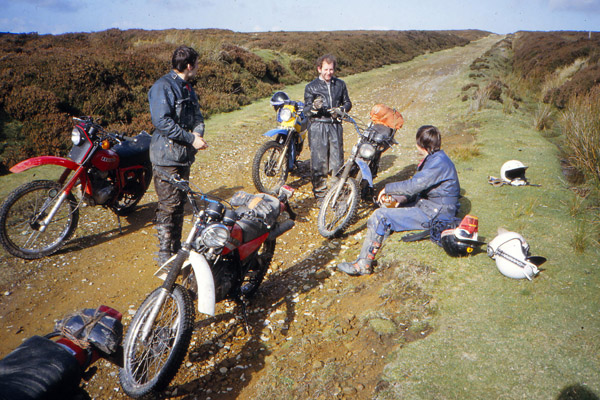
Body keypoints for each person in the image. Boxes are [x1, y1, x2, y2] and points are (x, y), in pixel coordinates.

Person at [337, 125, 461, 276]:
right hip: (431, 206)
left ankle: (363, 264)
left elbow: (413, 186)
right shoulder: (436, 158)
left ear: (420, 145)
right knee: (389, 206)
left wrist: (387, 189)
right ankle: (376, 243)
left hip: (435, 213)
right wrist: (398, 199)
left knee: (380, 215)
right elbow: (421, 188)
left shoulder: (437, 163)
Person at [148, 45, 208, 266]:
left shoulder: (188, 88)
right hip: (165, 156)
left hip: (182, 156)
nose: (198, 68)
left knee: (180, 202)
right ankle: (165, 255)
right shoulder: (163, 87)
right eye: (197, 64)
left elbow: (198, 117)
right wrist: (191, 139)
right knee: (169, 205)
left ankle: (176, 249)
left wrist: (197, 134)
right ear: (189, 65)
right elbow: (161, 122)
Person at [304, 54, 352, 201]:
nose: (329, 73)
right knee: (319, 163)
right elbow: (306, 111)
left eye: (331, 70)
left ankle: (336, 194)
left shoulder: (340, 84)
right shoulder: (311, 87)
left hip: (335, 126)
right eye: (325, 69)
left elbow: (348, 103)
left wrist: (341, 110)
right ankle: (320, 196)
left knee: (337, 162)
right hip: (318, 127)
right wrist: (314, 107)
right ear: (319, 69)